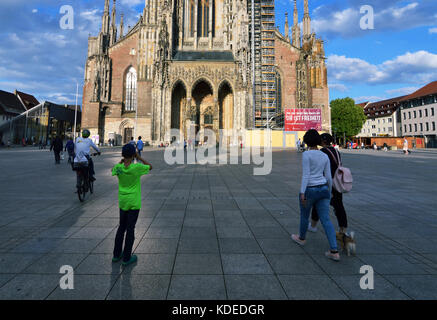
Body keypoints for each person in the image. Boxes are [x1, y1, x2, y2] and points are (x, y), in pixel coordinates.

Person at [291, 129, 339, 261]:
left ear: (306, 141)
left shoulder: (307, 155)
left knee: (304, 216)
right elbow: (329, 176)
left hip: (310, 190)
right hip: (323, 189)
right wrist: (329, 192)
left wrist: (302, 192)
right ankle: (334, 250)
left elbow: (306, 175)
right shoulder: (324, 156)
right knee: (326, 220)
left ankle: (301, 238)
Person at [112, 144, 153, 266]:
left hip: (123, 201)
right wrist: (139, 157)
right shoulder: (136, 168)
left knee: (121, 227)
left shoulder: (118, 167)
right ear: (133, 155)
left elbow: (112, 170)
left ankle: (116, 255)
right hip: (134, 202)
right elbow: (150, 167)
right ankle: (126, 258)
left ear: (122, 155)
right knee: (130, 229)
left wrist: (121, 161)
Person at [309, 133, 349, 235]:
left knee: (318, 203)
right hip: (337, 182)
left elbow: (321, 168)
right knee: (339, 206)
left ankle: (313, 225)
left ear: (323, 141)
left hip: (327, 182)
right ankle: (343, 230)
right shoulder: (336, 151)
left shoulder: (322, 152)